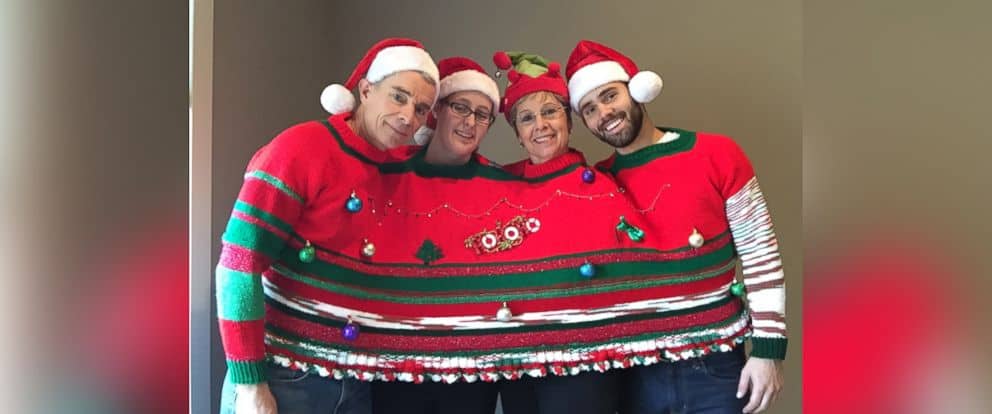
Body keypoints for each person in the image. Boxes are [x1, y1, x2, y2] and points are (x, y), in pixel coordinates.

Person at [215, 37, 439, 414]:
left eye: (420, 109)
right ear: (366, 90)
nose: (408, 117)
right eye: (398, 97)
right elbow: (237, 266)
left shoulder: (394, 166)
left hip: (357, 382)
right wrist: (250, 384)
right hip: (285, 378)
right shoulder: (301, 148)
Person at [565, 39, 787, 414]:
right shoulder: (596, 182)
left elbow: (760, 252)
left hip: (715, 365)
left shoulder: (716, 154)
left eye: (609, 96)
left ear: (638, 91)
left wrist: (768, 350)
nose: (603, 112)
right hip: (634, 374)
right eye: (589, 109)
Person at [368, 56, 505, 414]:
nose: (470, 121)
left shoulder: (501, 187)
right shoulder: (387, 170)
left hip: (470, 370)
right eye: (461, 107)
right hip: (393, 363)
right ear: (438, 110)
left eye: (482, 114)